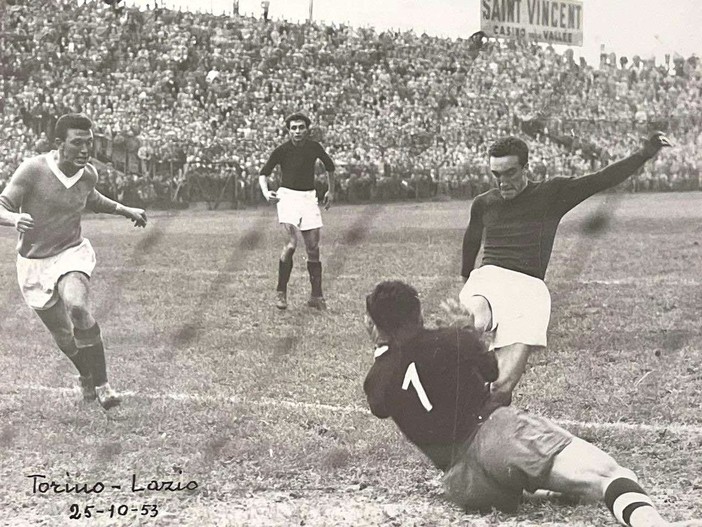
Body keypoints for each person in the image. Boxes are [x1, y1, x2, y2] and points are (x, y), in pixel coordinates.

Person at [363, 280, 701, 526]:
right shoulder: (452, 340)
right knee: (612, 475)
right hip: (498, 438)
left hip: (464, 483)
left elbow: (389, 392)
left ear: (376, 325)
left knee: (562, 486)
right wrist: (468, 333)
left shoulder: (375, 382)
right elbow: (492, 371)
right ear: (419, 313)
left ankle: (548, 484)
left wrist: (385, 347)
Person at [458, 132, 672, 406]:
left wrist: (645, 153)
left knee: (500, 390)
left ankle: (475, 428)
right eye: (496, 174)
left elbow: (602, 179)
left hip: (529, 291)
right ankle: (453, 379)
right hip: (488, 281)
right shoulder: (483, 203)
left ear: (526, 168)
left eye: (510, 172)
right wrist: (465, 278)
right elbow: (472, 238)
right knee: (472, 318)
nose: (502, 181)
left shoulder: (550, 193)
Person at [0, 113, 147, 410]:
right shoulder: (32, 170)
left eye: (89, 143)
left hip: (71, 252)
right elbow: (2, 204)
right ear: (59, 144)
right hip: (33, 263)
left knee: (78, 307)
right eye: (77, 143)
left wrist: (124, 209)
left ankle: (104, 386)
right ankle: (86, 376)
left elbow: (89, 197)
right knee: (65, 337)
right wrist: (13, 217)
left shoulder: (88, 172)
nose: (84, 150)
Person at [258, 112, 335, 310]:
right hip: (287, 198)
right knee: (291, 244)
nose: (298, 131)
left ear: (307, 129)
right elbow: (263, 174)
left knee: (313, 248)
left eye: (301, 127)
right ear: (289, 130)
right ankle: (281, 293)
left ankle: (316, 297)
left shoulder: (314, 147)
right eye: (293, 128)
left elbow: (330, 167)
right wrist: (267, 193)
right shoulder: (282, 150)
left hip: (308, 198)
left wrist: (331, 191)